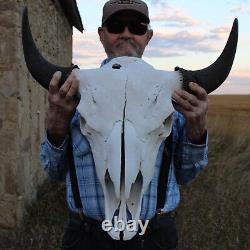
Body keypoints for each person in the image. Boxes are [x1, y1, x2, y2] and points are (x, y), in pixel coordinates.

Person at [40, 1, 208, 249]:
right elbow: (54, 172)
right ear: (102, 34)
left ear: (148, 36)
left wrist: (196, 130)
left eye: (137, 27)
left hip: (155, 237)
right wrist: (57, 124)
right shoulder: (71, 96)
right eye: (116, 26)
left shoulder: (175, 101)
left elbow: (186, 174)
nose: (126, 33)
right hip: (85, 236)